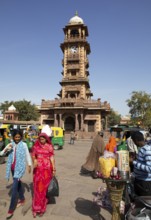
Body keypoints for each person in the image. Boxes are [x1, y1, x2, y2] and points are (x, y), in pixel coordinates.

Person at [0, 129, 32, 219]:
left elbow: (27, 155)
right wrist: (7, 149)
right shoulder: (11, 144)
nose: (17, 138)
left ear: (21, 137)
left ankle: (11, 210)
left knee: (14, 189)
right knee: (18, 185)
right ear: (13, 137)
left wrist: (29, 164)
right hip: (12, 168)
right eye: (16, 137)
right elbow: (1, 153)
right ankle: (22, 199)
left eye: (19, 137)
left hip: (19, 168)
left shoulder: (24, 145)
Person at [31, 132, 56, 217]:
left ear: (46, 139)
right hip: (38, 170)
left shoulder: (49, 147)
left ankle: (42, 208)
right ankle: (36, 208)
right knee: (37, 189)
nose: (41, 140)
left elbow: (52, 158)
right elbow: (33, 155)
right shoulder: (36, 146)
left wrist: (54, 168)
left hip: (46, 171)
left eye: (43, 138)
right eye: (40, 138)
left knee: (44, 189)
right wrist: (34, 160)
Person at [131, 131, 151, 196]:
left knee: (143, 203)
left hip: (145, 183)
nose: (134, 143)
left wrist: (133, 162)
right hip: (140, 180)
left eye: (133, 141)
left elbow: (149, 168)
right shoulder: (142, 148)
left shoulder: (147, 150)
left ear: (136, 140)